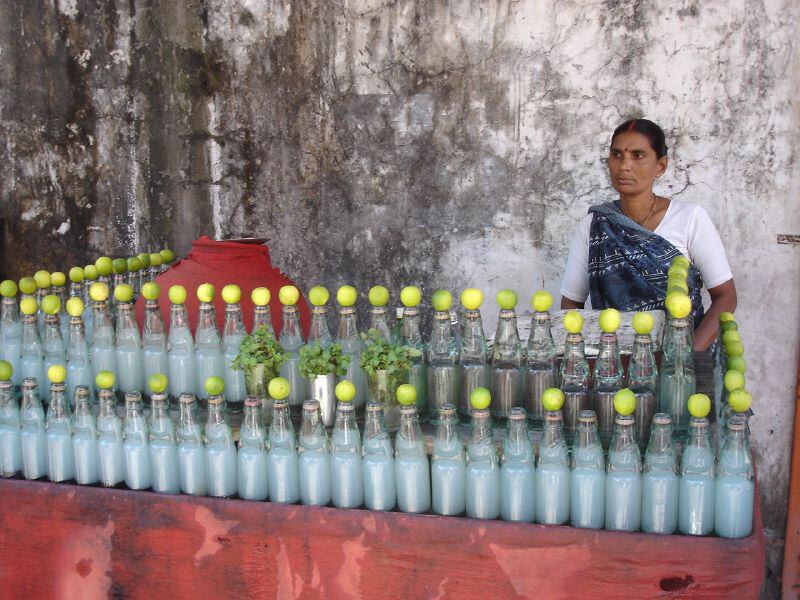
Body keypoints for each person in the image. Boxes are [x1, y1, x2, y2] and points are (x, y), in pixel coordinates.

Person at [559, 119, 736, 351]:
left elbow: (725, 297)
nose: (624, 166)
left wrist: (687, 357)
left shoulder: (690, 218)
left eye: (638, 155)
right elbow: (572, 303)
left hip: (681, 360)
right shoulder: (593, 226)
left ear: (661, 166)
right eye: (617, 155)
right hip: (613, 364)